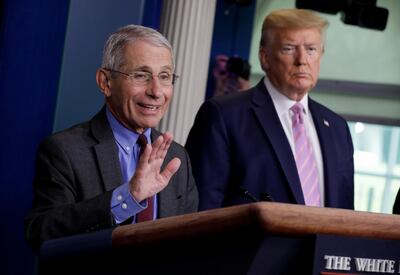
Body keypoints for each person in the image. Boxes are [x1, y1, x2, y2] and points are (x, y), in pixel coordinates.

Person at [25, 25, 198, 251]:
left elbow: (193, 243)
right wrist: (128, 197)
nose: (156, 91)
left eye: (164, 76)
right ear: (106, 82)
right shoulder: (64, 151)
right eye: (141, 75)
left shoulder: (177, 157)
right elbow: (40, 233)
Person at [186, 9, 354, 211]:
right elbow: (200, 209)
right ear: (265, 58)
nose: (302, 60)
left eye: (311, 49)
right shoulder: (223, 115)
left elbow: (345, 214)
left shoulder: (337, 128)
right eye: (289, 48)